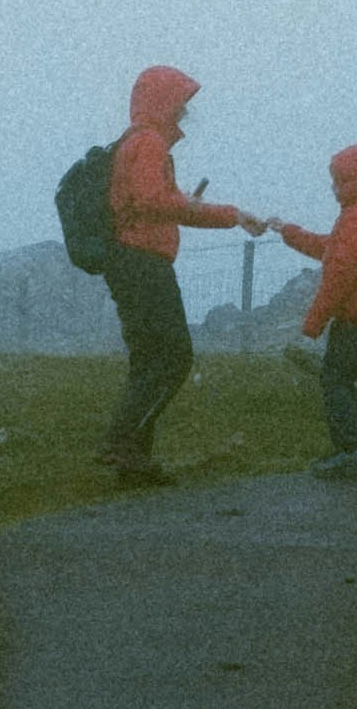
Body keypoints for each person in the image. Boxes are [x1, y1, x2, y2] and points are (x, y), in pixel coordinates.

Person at [100, 66, 267, 488]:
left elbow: (157, 203)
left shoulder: (135, 142)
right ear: (163, 102)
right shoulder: (149, 143)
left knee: (148, 361)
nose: (185, 112)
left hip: (129, 261)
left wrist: (222, 214)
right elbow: (153, 201)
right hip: (144, 264)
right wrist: (208, 210)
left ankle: (134, 464)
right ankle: (121, 440)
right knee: (174, 358)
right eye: (180, 102)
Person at [274, 141, 357, 482]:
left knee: (335, 379)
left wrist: (312, 325)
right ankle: (348, 447)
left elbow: (338, 274)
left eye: (340, 181)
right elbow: (330, 248)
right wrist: (289, 232)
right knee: (341, 377)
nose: (333, 187)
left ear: (356, 181)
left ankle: (349, 451)